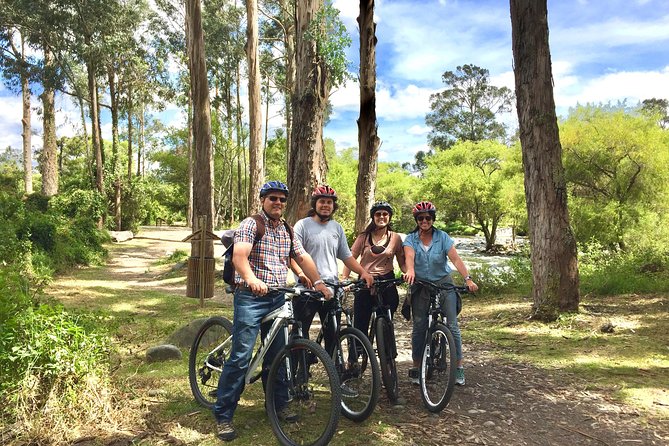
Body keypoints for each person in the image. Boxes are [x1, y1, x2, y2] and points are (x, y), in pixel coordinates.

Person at [213, 181, 332, 442]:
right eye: (273, 199)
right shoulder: (251, 224)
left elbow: (302, 258)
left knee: (278, 354)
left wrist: (319, 282)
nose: (277, 203)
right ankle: (223, 414)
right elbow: (240, 257)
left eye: (281, 200)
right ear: (263, 200)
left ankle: (277, 405)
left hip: (277, 296)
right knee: (242, 356)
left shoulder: (287, 230)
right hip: (250, 297)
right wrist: (251, 279)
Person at [291, 185, 374, 356]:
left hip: (331, 287)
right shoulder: (302, 225)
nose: (325, 205)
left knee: (333, 334)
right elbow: (292, 255)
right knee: (300, 334)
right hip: (307, 289)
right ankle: (298, 375)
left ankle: (335, 375)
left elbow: (347, 256)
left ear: (333, 206)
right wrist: (300, 274)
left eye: (329, 202)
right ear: (315, 204)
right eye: (322, 201)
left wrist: (363, 272)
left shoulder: (336, 228)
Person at [402, 201, 478, 386]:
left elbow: (455, 258)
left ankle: (458, 367)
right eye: (420, 218)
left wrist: (467, 278)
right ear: (417, 220)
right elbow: (409, 256)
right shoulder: (411, 239)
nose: (424, 221)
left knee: (452, 325)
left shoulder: (442, 237)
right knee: (419, 326)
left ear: (433, 219)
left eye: (428, 217)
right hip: (421, 284)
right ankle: (417, 365)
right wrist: (410, 271)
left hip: (443, 283)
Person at [342, 201, 406, 340]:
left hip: (387, 281)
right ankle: (355, 356)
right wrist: (345, 279)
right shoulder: (363, 237)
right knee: (360, 322)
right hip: (365, 282)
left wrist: (408, 273)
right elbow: (350, 258)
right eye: (378, 214)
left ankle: (388, 356)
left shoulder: (395, 238)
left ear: (389, 217)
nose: (381, 217)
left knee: (387, 322)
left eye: (385, 214)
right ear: (373, 217)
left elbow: (402, 263)